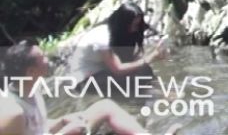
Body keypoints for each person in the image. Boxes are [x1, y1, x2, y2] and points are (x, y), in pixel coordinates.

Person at [1, 41, 150, 135]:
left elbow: (38, 127)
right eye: (43, 57)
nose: (48, 59)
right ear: (30, 72)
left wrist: (62, 121)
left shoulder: (31, 88)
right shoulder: (13, 112)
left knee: (105, 106)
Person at [66, 1, 164, 91]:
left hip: (103, 72)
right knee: (133, 81)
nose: (135, 29)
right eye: (134, 25)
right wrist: (151, 57)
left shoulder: (120, 35)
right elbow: (118, 69)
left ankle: (165, 94)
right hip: (84, 80)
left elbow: (135, 62)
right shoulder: (103, 37)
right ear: (122, 24)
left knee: (144, 70)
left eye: (137, 25)